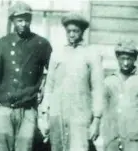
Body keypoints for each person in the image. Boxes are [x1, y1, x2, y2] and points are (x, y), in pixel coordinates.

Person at [0, 1, 52, 151]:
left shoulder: (41, 44)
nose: (23, 24)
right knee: (4, 147)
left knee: (25, 147)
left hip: (28, 108)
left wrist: (44, 88)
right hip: (4, 107)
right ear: (12, 21)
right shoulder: (3, 44)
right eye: (19, 20)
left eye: (27, 20)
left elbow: (53, 72)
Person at [39, 12, 104, 151]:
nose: (72, 34)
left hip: (80, 115)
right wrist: (45, 115)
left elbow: (98, 89)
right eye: (69, 31)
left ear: (82, 32)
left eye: (76, 31)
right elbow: (49, 86)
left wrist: (96, 120)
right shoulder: (57, 54)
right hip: (57, 114)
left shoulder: (91, 54)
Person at [101, 40, 138, 151]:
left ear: (135, 59)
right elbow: (102, 107)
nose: (126, 63)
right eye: (123, 59)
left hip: (135, 140)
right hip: (112, 139)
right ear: (117, 58)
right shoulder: (109, 81)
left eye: (129, 59)